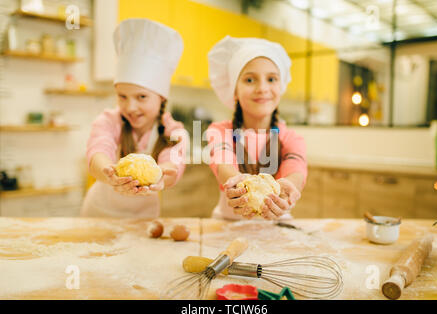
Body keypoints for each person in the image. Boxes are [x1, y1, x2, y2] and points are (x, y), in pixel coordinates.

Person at [81, 19, 187, 218]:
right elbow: (97, 152)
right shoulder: (108, 120)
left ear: (161, 97)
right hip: (98, 215)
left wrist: (160, 174)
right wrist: (110, 174)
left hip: (144, 219)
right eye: (122, 96)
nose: (130, 107)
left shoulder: (174, 131)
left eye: (141, 97)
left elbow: (173, 167)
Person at [206, 36, 307, 221]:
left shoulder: (291, 139)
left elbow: (296, 168)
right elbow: (223, 163)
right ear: (234, 90)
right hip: (227, 225)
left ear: (281, 86)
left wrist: (290, 187)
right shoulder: (220, 132)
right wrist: (238, 185)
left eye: (271, 79)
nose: (262, 88)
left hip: (276, 226)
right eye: (250, 80)